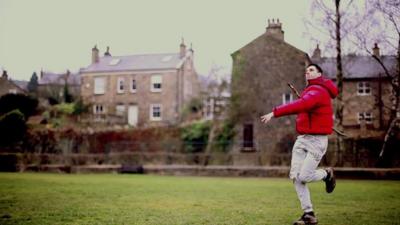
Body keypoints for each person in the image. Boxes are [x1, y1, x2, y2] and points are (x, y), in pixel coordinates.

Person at [260, 63, 338, 225]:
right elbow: (307, 107)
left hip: (317, 141)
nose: (307, 72)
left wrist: (275, 112)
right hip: (303, 139)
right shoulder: (310, 91)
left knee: (305, 176)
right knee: (296, 176)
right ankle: (308, 214)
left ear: (319, 74)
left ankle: (326, 174)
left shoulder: (318, 91)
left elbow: (302, 105)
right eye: (306, 71)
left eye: (311, 70)